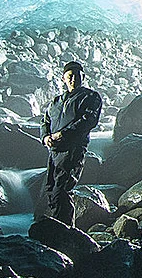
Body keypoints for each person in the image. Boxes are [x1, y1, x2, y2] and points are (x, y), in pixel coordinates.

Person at [40, 61, 103, 226]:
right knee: (50, 190)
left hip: (73, 149)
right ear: (63, 78)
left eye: (77, 76)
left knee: (61, 190)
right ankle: (57, 228)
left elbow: (88, 120)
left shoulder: (90, 97)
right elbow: (45, 121)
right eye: (69, 76)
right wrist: (45, 137)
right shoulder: (56, 101)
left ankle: (65, 232)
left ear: (83, 77)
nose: (73, 79)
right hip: (54, 151)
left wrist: (63, 134)